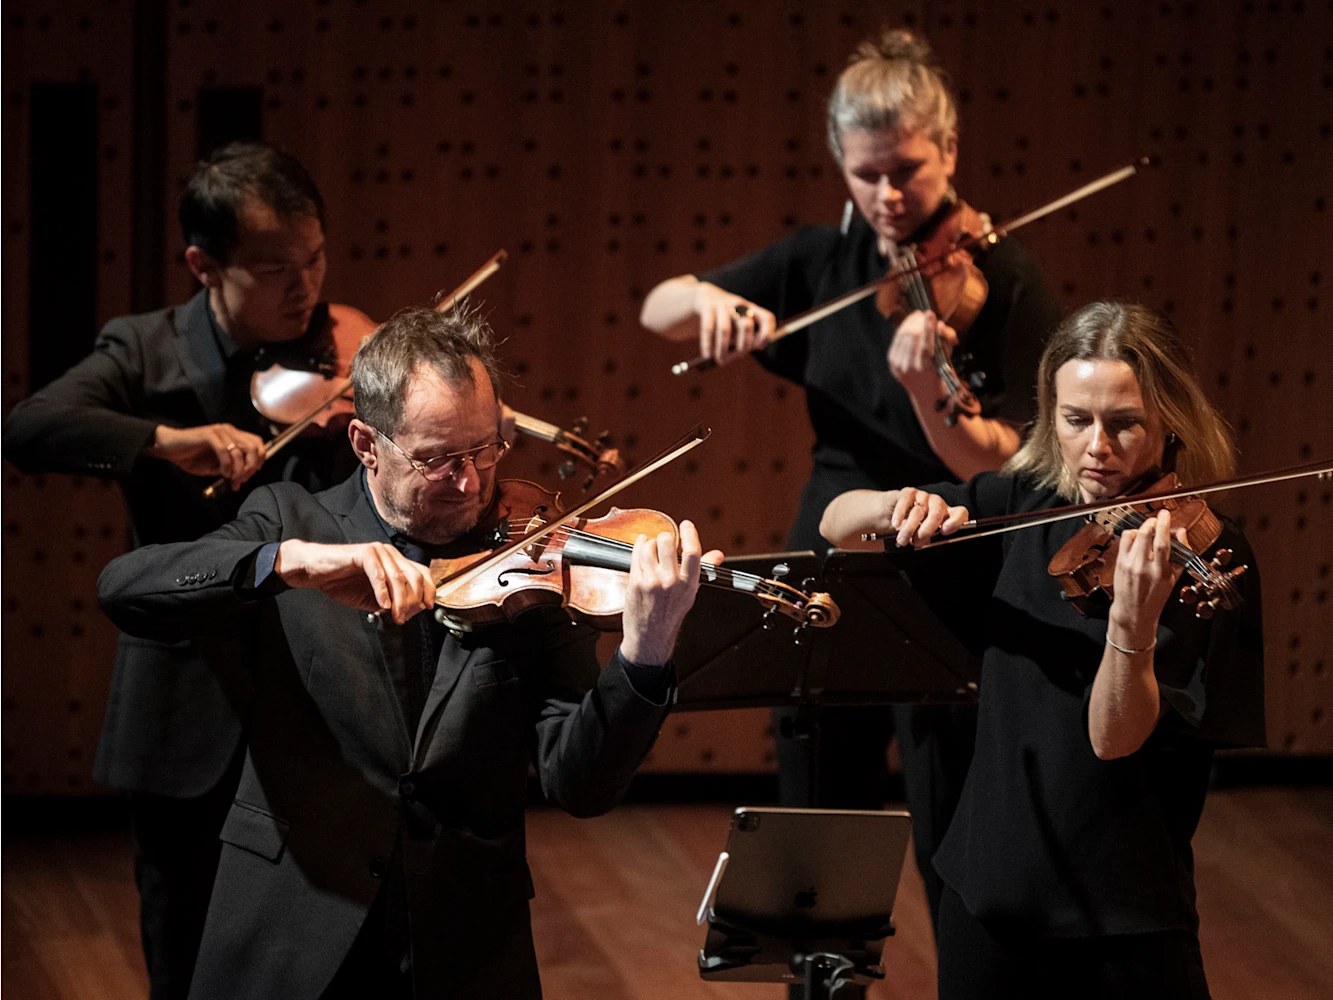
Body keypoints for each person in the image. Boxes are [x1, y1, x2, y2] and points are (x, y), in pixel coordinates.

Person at [96, 305, 721, 999]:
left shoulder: (537, 563)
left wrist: (645, 651)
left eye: (485, 449)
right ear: (366, 443)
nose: (471, 482)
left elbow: (579, 785)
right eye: (438, 459)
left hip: (462, 943)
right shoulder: (292, 523)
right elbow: (125, 589)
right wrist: (286, 562)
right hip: (292, 921)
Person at [639, 28, 1061, 929]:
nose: (886, 196)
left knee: (954, 818)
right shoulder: (820, 263)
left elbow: (1013, 466)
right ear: (839, 159)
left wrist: (925, 394)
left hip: (955, 547)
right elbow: (658, 307)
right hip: (831, 546)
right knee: (819, 809)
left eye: (906, 169)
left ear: (948, 150)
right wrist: (708, 303)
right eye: (865, 173)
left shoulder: (1005, 279)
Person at [2, 142, 366, 999]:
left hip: (319, 685)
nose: (304, 287)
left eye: (314, 259)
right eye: (275, 268)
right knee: (186, 952)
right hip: (185, 702)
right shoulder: (144, 352)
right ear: (204, 264)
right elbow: (27, 429)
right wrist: (163, 441)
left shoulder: (337, 356)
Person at [820, 301, 1264, 999]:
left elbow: (1112, 738)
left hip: (1121, 910)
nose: (1096, 447)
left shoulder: (1204, 553)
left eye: (1123, 424)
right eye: (1075, 419)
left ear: (1169, 418)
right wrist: (892, 508)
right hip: (986, 888)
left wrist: (1131, 624)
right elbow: (835, 522)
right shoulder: (1025, 502)